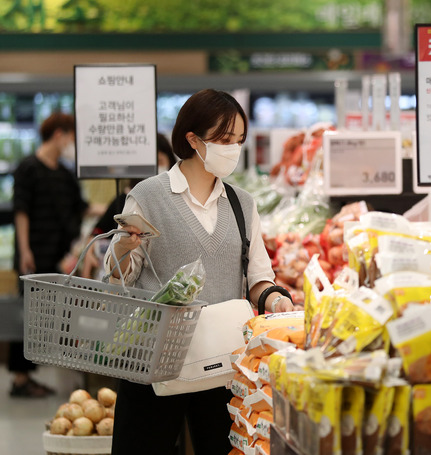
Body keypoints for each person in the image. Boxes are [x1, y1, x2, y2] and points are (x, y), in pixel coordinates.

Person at [104, 89, 297, 455]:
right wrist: (122, 250)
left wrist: (274, 298)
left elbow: (258, 277)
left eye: (238, 140)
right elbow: (122, 277)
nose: (233, 150)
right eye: (224, 140)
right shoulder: (148, 196)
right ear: (193, 139)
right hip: (155, 363)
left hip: (224, 364)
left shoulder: (242, 204)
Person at [9, 112, 88, 397]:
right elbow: (21, 211)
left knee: (57, 314)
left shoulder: (65, 174)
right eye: (71, 137)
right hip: (33, 253)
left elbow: (80, 208)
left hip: (59, 257)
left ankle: (50, 373)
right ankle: (20, 378)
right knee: (27, 314)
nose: (72, 143)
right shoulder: (28, 168)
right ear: (59, 134)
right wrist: (24, 249)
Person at [79, 133, 176, 279]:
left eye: (160, 161)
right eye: (152, 162)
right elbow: (98, 231)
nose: (156, 168)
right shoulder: (126, 199)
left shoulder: (177, 199)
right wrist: (90, 252)